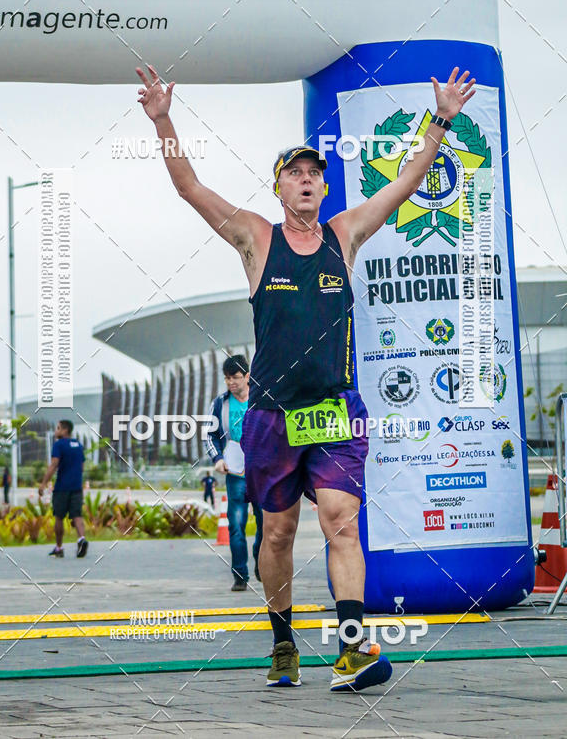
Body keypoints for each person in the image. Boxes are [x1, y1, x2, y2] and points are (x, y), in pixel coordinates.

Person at [136, 63, 476, 691]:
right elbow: (189, 186)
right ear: (279, 189)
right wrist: (163, 122)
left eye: (315, 173)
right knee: (279, 533)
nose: (307, 180)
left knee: (341, 518)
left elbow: (406, 182)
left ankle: (352, 650)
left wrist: (441, 121)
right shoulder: (255, 238)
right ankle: (284, 644)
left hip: (335, 409)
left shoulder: (344, 235)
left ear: (323, 186)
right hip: (272, 415)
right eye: (295, 173)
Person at [204, 354, 264, 591]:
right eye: (227, 378)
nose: (231, 382)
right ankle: (240, 575)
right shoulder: (220, 403)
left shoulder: (261, 398)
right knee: (236, 525)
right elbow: (209, 434)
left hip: (260, 471)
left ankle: (261, 560)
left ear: (247, 376)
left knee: (266, 523)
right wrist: (217, 458)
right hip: (235, 471)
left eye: (236, 377)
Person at [38, 420, 88, 558]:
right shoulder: (78, 445)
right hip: (77, 487)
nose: (56, 431)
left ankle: (59, 548)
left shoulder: (59, 444)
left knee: (59, 517)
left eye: (58, 428)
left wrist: (43, 483)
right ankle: (81, 539)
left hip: (62, 488)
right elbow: (82, 467)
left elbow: (54, 464)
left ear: (65, 430)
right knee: (77, 515)